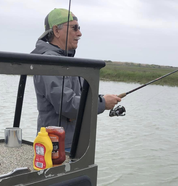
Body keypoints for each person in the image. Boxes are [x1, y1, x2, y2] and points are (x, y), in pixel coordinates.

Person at [32, 8, 121, 150]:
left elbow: (76, 98)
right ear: (56, 31)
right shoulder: (49, 62)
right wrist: (102, 103)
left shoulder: (65, 61)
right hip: (56, 148)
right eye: (74, 28)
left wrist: (100, 99)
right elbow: (67, 104)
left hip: (72, 143)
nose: (79, 33)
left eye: (79, 28)